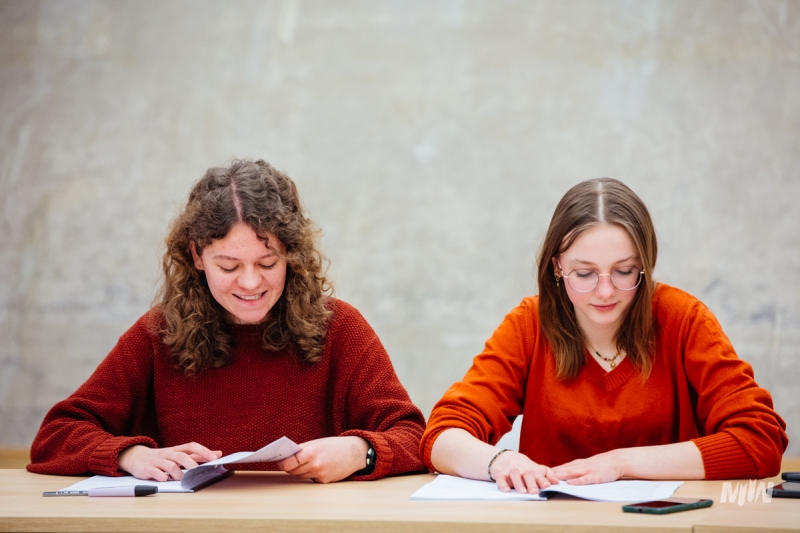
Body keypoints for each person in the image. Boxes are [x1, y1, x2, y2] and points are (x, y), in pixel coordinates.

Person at [28, 159, 426, 484]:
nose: (251, 282)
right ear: (197, 257)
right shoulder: (159, 333)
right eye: (229, 266)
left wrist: (361, 451)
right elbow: (56, 434)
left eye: (267, 263)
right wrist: (132, 455)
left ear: (291, 255)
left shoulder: (340, 328)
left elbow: (412, 435)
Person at [421, 177, 787, 493]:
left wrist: (620, 464)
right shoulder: (529, 325)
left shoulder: (683, 319)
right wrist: (499, 462)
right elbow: (441, 436)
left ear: (644, 264)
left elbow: (760, 440)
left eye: (624, 271)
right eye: (584, 274)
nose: (605, 292)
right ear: (557, 268)